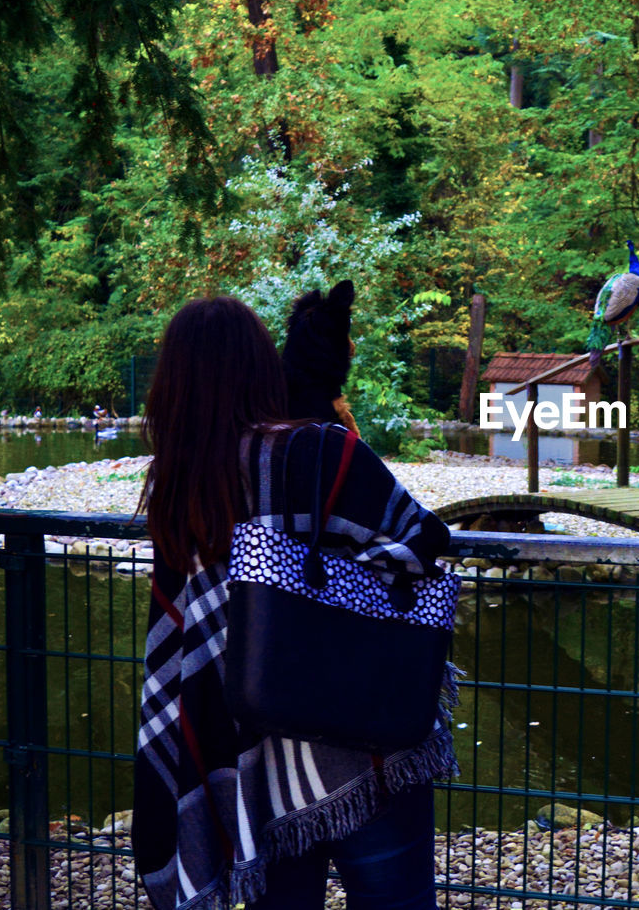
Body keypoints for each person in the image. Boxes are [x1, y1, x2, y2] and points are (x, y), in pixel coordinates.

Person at [132, 296, 455, 910]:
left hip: (253, 769)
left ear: (171, 384)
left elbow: (184, 644)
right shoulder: (321, 450)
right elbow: (422, 545)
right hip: (365, 740)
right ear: (261, 365)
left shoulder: (176, 486)